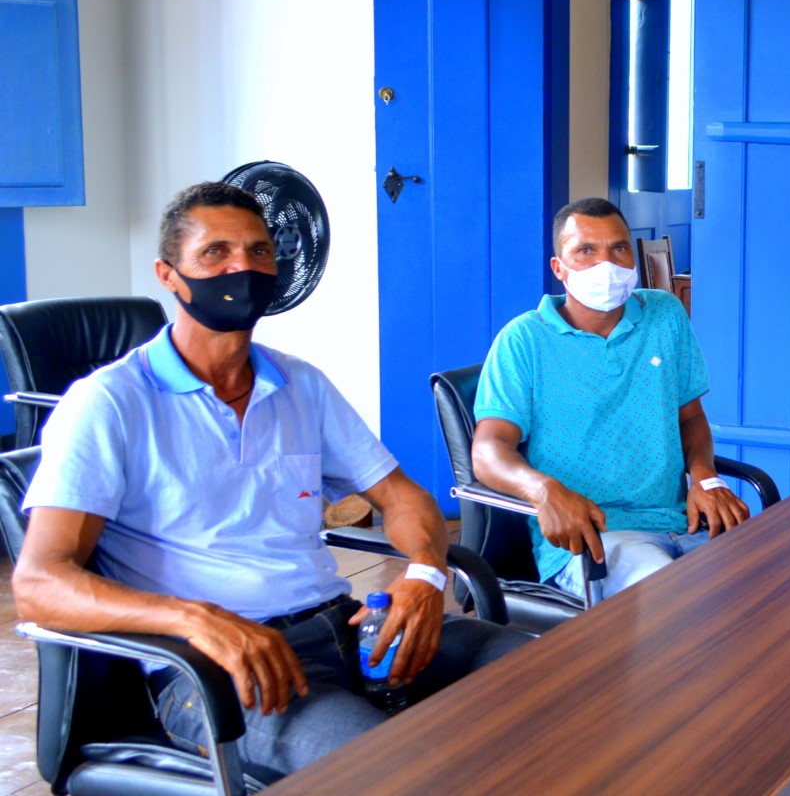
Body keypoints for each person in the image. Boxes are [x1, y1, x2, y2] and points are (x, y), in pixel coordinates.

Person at [13, 182, 529, 783]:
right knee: (398, 773)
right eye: (216, 252)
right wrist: (196, 619)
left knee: (552, 680)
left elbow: (400, 496)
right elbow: (39, 583)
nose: (243, 268)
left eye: (259, 251)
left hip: (346, 629)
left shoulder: (299, 384)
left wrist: (424, 573)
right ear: (168, 275)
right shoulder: (108, 403)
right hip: (217, 670)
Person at [470, 198, 750, 600]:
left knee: (772, 585)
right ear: (559, 268)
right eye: (586, 250)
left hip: (682, 523)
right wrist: (544, 490)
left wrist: (705, 475)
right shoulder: (523, 340)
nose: (606, 264)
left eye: (618, 248)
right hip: (594, 539)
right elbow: (488, 450)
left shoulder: (664, 314)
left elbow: (689, 417)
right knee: (679, 602)